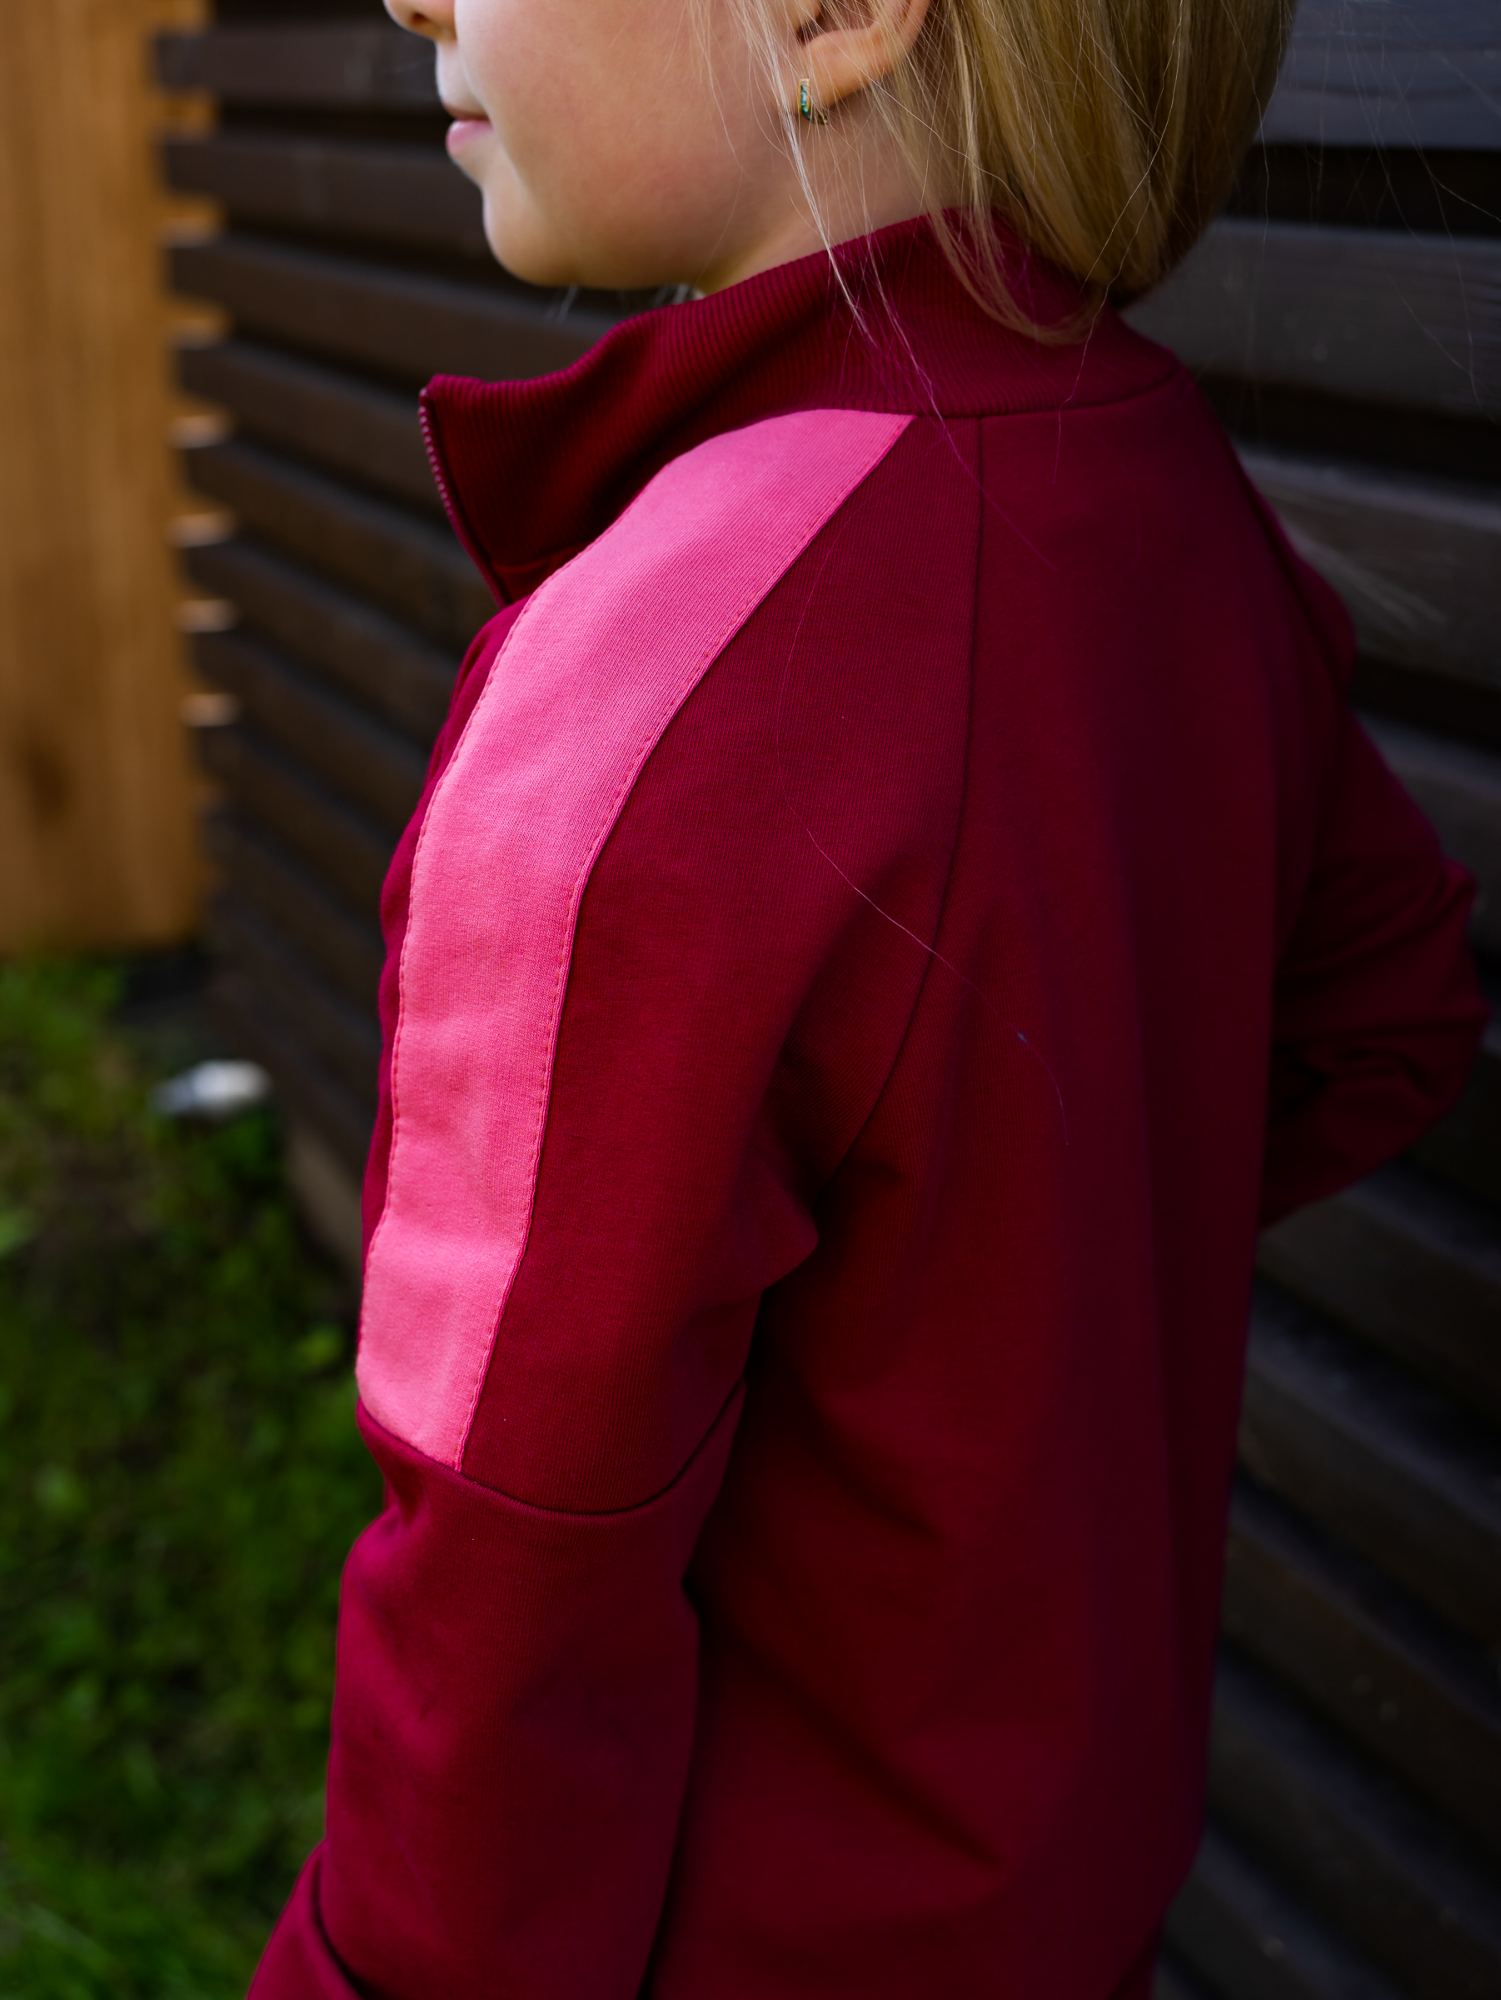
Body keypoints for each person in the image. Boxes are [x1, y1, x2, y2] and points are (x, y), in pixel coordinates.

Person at [248, 1, 1490, 1994]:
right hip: (1065, 1895)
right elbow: (1384, 1015)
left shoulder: (646, 691)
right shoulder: (1160, 487)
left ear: (832, 14)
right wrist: (1006, 1280)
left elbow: (507, 1555)